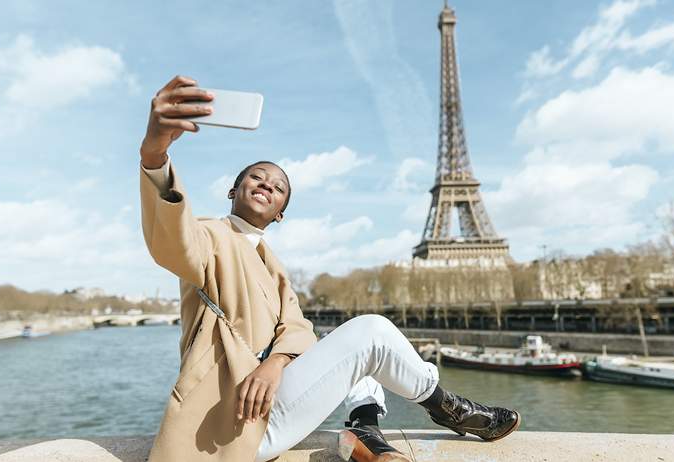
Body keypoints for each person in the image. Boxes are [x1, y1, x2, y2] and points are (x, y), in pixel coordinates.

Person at [139, 75, 521, 462]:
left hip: (270, 404)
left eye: (278, 187)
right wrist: (155, 155)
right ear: (232, 191)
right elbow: (173, 241)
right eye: (257, 177)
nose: (267, 185)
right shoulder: (209, 235)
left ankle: (365, 427)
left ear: (281, 213)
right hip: (232, 422)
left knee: (359, 350)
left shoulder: (272, 264)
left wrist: (275, 363)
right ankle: (447, 407)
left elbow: (299, 328)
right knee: (371, 331)